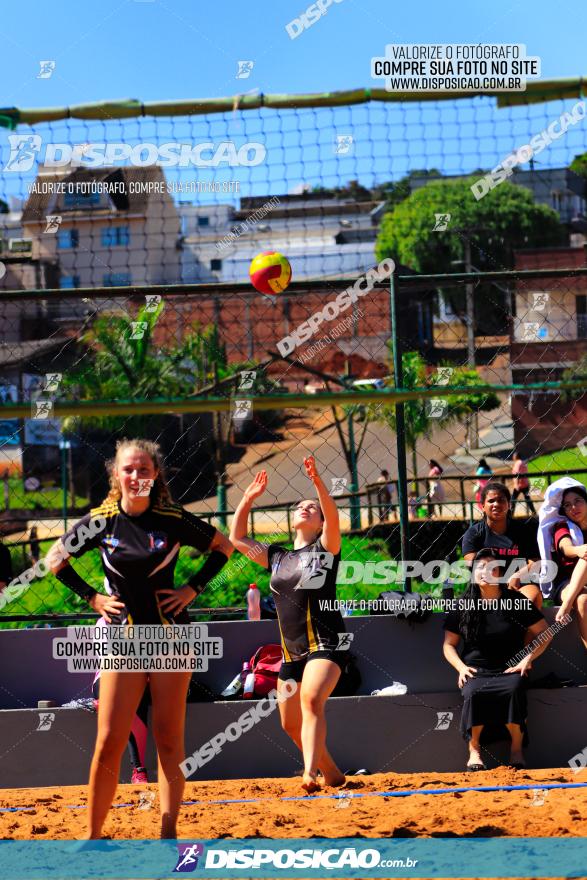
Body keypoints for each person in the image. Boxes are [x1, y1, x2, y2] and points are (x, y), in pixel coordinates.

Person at [46, 438, 233, 840]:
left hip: (171, 637)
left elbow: (224, 547)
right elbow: (54, 560)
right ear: (116, 475)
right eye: (128, 469)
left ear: (155, 476)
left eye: (144, 470)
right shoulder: (101, 519)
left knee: (168, 738)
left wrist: (191, 589)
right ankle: (93, 836)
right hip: (122, 639)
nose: (135, 476)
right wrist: (92, 597)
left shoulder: (171, 517)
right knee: (109, 741)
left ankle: (169, 831)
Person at [230, 455, 346, 794]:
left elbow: (334, 517)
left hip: (327, 642)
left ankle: (309, 773)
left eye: (312, 507)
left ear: (321, 520)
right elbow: (237, 538)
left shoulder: (326, 548)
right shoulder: (277, 557)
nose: (305, 508)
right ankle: (333, 773)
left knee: (311, 701)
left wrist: (318, 485)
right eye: (300, 506)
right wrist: (248, 499)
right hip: (291, 653)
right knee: (290, 724)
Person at [443, 548, 550, 771]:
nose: (485, 572)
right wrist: (461, 668)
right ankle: (474, 753)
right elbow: (448, 645)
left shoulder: (515, 601)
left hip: (509, 669)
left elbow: (545, 632)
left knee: (513, 690)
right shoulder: (464, 605)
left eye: (492, 568)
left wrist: (528, 658)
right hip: (475, 670)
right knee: (474, 692)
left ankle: (517, 750)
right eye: (480, 568)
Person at [461, 481, 542, 608]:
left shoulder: (523, 531)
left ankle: (524, 627)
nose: (496, 504)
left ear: (509, 504)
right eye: (491, 501)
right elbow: (474, 566)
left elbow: (535, 562)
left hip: (517, 586)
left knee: (532, 595)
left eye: (501, 500)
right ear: (482, 505)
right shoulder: (473, 534)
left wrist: (518, 576)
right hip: (486, 588)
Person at [510, 452, 536, 516]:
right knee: (527, 499)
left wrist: (516, 485)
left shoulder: (518, 463)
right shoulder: (522, 462)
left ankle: (511, 514)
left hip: (520, 485)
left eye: (513, 456)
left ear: (516, 456)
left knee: (513, 499)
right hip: (525, 483)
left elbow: (517, 475)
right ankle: (533, 511)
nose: (512, 457)